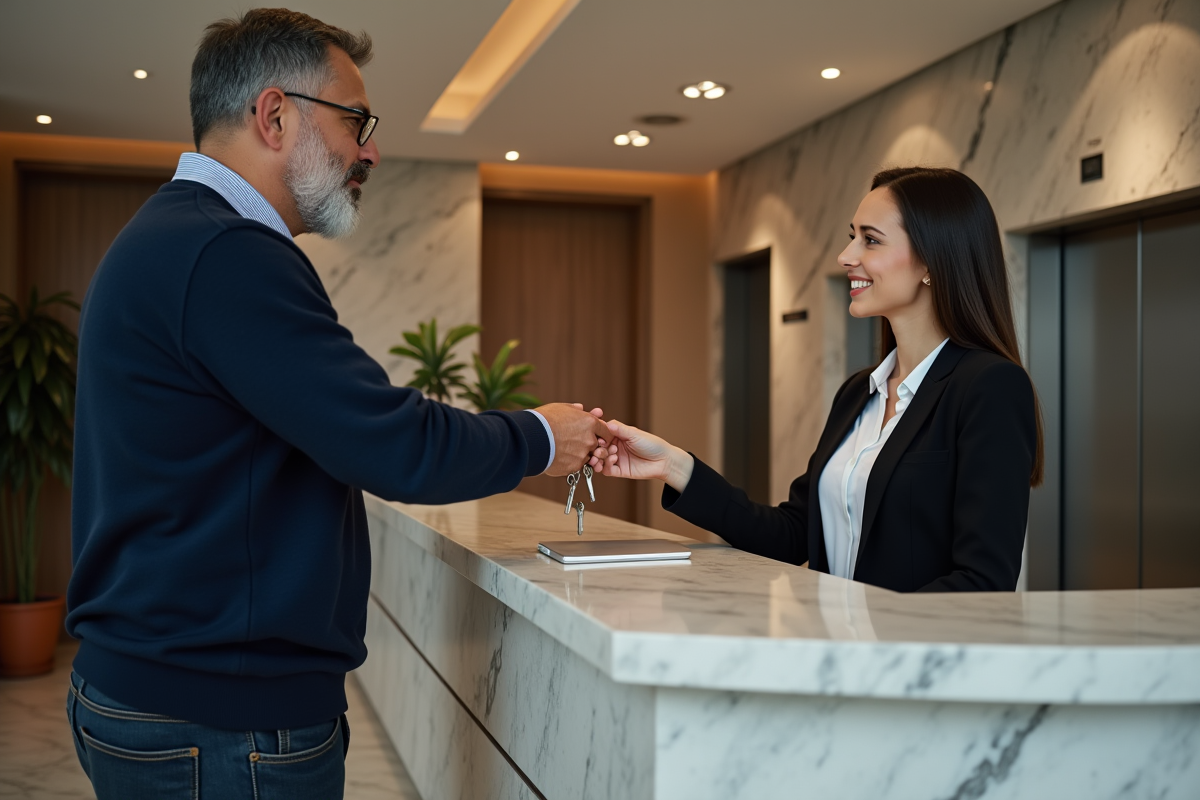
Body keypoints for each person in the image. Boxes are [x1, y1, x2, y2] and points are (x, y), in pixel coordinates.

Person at [64, 9, 610, 799]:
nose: (371, 151)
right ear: (275, 116)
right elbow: (390, 444)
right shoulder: (225, 251)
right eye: (357, 121)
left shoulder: (179, 236)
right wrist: (542, 435)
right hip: (219, 722)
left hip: (176, 700)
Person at [599, 167, 1043, 593]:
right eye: (853, 237)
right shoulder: (858, 393)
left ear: (931, 261)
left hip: (904, 647)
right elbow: (793, 534)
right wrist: (674, 466)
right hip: (835, 643)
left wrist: (868, 632)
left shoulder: (990, 387)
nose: (846, 257)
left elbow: (983, 581)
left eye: (871, 240)